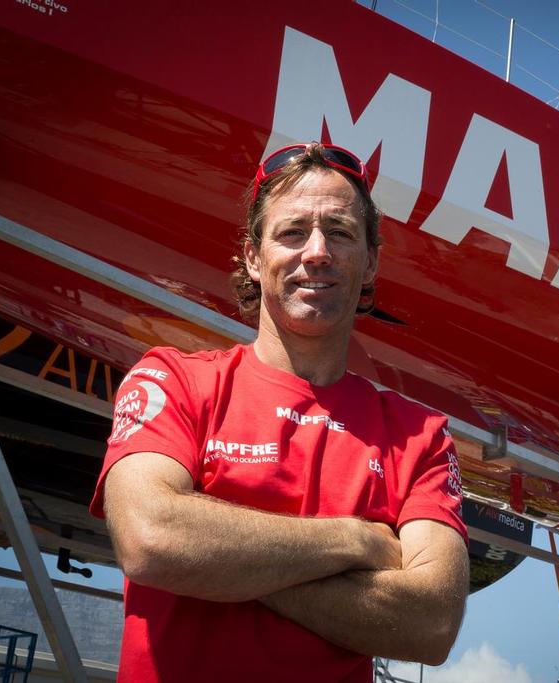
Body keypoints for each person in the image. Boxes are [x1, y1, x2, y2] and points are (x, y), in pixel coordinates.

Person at [90, 142, 469, 682]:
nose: (316, 252)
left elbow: (430, 624)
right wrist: (357, 542)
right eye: (292, 232)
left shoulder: (421, 436)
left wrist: (220, 560)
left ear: (370, 263)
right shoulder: (173, 379)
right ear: (252, 256)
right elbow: (151, 539)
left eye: (339, 233)